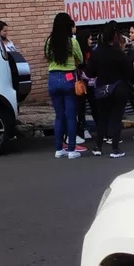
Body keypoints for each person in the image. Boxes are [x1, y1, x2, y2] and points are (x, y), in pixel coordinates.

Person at [86, 22, 132, 158]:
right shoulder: (119, 53)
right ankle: (115, 149)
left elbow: (90, 73)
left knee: (102, 118)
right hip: (119, 88)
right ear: (114, 36)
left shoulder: (96, 53)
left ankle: (98, 147)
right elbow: (129, 73)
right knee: (117, 119)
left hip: (102, 89)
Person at [45, 12, 85, 159]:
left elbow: (48, 58)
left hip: (53, 78)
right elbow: (80, 58)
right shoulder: (72, 42)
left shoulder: (50, 41)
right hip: (68, 78)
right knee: (70, 116)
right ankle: (71, 149)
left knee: (59, 116)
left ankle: (58, 149)